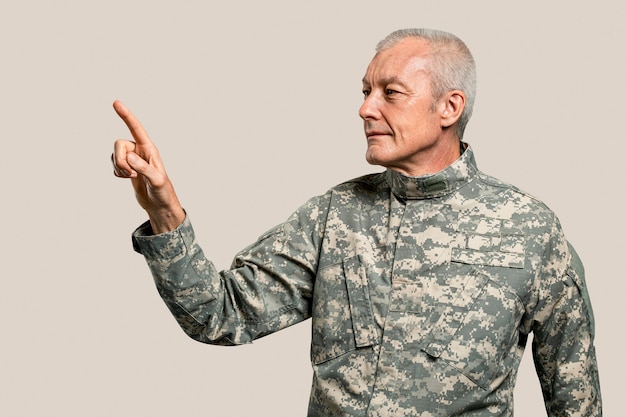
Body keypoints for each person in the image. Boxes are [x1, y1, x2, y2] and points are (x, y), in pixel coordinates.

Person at [112, 28, 602, 416]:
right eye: (366, 91)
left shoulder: (529, 229)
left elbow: (573, 394)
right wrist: (164, 211)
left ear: (449, 107)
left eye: (391, 93)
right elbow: (219, 315)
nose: (366, 108)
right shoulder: (334, 215)